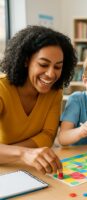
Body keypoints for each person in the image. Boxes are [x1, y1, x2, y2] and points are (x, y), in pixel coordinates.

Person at [0, 25, 77, 174]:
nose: (50, 74)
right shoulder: (2, 88)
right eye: (43, 64)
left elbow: (48, 136)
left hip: (32, 167)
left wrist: (18, 153)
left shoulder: (55, 91)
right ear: (26, 61)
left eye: (57, 67)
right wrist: (24, 153)